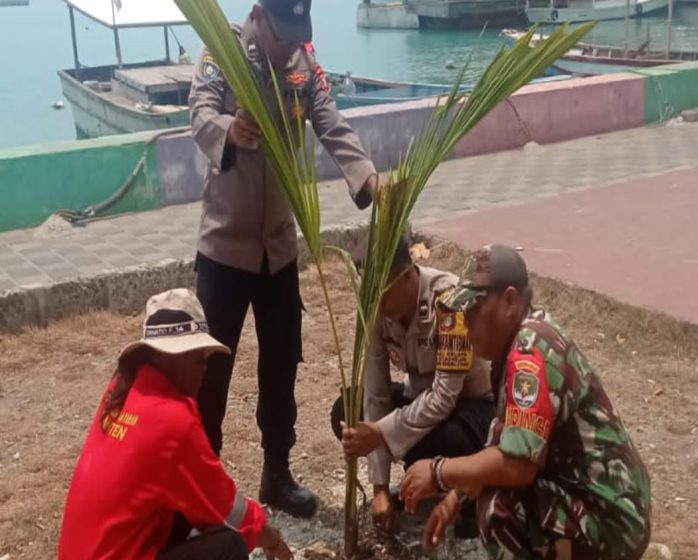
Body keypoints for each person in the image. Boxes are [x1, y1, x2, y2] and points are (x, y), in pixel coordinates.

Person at [188, 0, 379, 518]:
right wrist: (228, 128)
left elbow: (330, 120)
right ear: (259, 16)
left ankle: (277, 474)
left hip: (278, 248)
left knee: (281, 364)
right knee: (211, 374)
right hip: (225, 249)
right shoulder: (224, 50)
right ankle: (204, 489)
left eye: (299, 32)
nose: (289, 44)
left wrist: (367, 177)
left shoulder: (302, 62)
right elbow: (199, 111)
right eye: (282, 32)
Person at [400, 245, 652, 560]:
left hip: (611, 518)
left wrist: (439, 472)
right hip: (599, 503)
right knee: (491, 488)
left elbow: (517, 465)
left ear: (509, 301)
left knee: (499, 507)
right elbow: (505, 442)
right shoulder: (518, 344)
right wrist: (455, 497)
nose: (465, 322)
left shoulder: (530, 352)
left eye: (475, 309)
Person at [58, 289, 292, 560]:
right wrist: (272, 539)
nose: (204, 365)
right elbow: (228, 510)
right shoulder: (171, 421)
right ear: (161, 356)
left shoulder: (123, 387)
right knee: (229, 545)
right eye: (194, 355)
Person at [329, 236, 493, 533]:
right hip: (419, 401)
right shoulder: (375, 311)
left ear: (406, 276)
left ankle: (467, 496)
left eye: (381, 294)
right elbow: (376, 394)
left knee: (446, 438)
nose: (375, 305)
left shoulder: (450, 301)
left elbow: (444, 397)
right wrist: (379, 487)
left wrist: (379, 433)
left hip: (470, 410)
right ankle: (419, 480)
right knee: (347, 412)